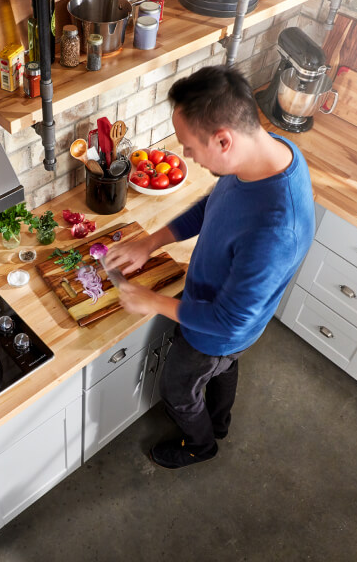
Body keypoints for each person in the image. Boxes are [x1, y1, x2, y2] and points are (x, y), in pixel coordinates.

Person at [104, 65, 315, 469]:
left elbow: (228, 323)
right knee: (223, 369)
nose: (185, 154)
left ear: (222, 139)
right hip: (222, 314)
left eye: (187, 145)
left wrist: (150, 301)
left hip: (215, 330)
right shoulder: (262, 152)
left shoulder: (276, 228)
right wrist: (151, 242)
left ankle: (201, 444)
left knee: (179, 388)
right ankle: (218, 422)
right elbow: (213, 206)